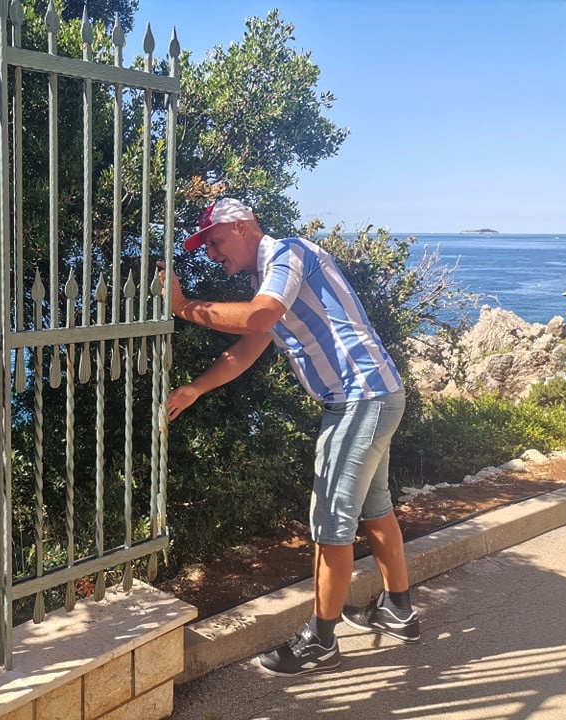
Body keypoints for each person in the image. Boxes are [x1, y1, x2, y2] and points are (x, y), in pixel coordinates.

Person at [165, 197, 419, 676]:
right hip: (374, 395)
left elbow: (258, 319)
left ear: (242, 226)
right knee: (375, 508)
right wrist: (196, 388)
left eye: (215, 242)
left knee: (330, 522)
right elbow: (249, 346)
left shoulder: (288, 254)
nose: (213, 255)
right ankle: (398, 611)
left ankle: (320, 640)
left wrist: (182, 307)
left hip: (359, 399)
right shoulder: (269, 281)